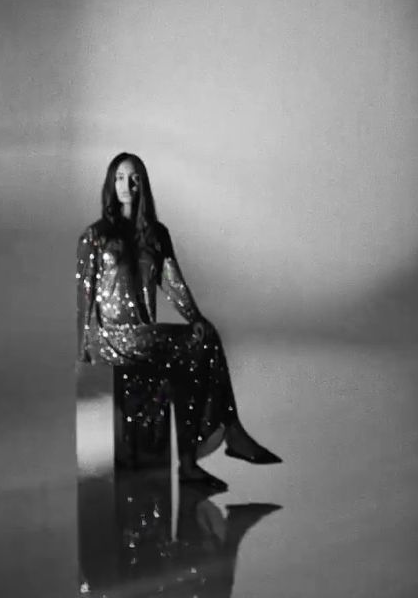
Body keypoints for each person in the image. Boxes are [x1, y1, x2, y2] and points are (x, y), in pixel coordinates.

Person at [76, 152, 281, 491]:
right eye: (119, 178)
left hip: (144, 337)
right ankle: (229, 433)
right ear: (110, 186)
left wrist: (195, 318)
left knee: (197, 349)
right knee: (196, 345)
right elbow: (83, 298)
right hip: (110, 338)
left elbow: (173, 283)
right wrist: (81, 352)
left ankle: (191, 462)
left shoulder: (157, 235)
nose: (126, 185)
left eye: (133, 178)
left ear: (143, 183)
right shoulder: (96, 236)